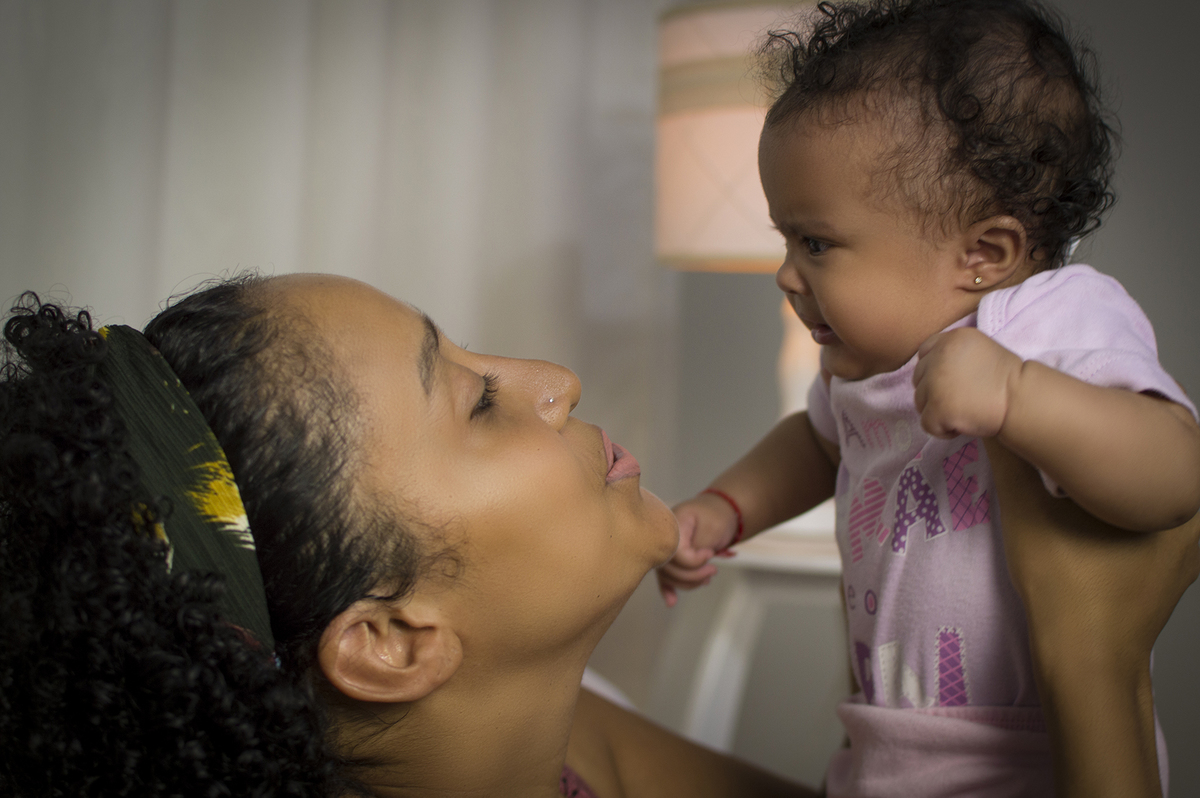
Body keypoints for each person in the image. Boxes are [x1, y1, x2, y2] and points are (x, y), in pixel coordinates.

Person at [0, 273, 1194, 797]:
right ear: (389, 639)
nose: (554, 378)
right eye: (473, 400)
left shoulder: (567, 748)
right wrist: (1093, 662)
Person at [658, 0, 1200, 794]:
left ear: (985, 252)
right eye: (784, 239)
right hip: (886, 741)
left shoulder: (1043, 322)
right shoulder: (865, 368)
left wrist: (1017, 394)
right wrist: (723, 510)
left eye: (815, 242)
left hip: (1025, 752)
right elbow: (815, 442)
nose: (786, 273)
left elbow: (1175, 473)